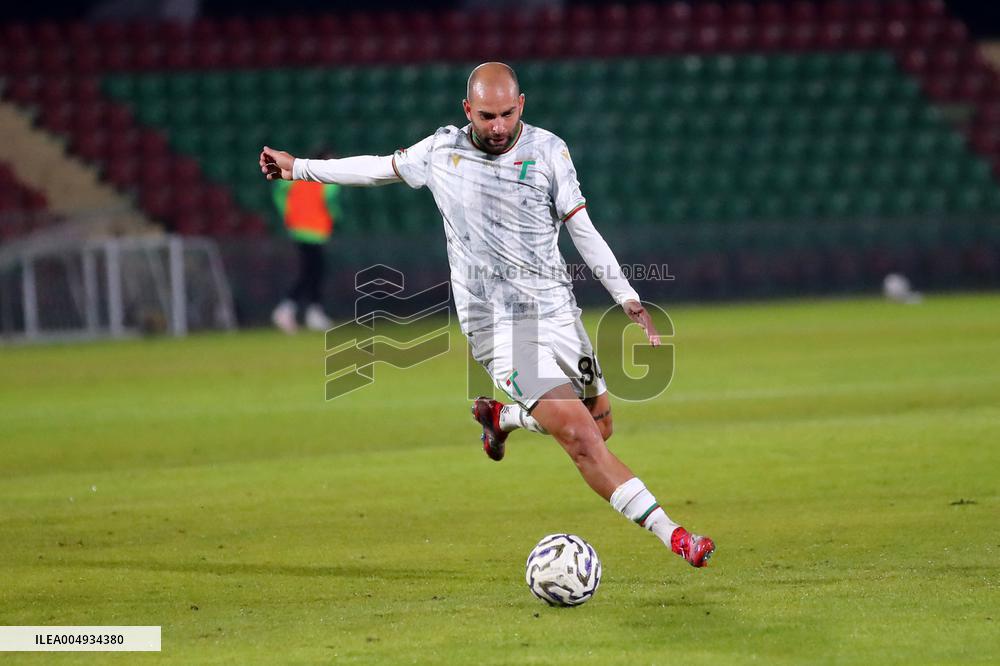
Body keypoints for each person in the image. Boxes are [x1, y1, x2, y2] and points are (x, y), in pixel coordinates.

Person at [260, 62, 715, 568]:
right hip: (497, 324)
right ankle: (676, 536)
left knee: (601, 426)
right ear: (467, 110)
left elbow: (582, 228)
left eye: (505, 115)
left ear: (521, 106)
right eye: (485, 116)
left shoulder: (549, 151)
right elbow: (376, 168)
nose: (497, 127)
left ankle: (503, 418)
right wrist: (297, 167)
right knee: (582, 439)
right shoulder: (441, 151)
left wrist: (625, 295)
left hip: (557, 311)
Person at [270, 174, 340, 333]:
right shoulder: (327, 178)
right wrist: (334, 216)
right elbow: (331, 202)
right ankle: (290, 309)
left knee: (313, 272)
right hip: (315, 230)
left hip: (301, 228)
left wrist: (288, 214)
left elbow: (279, 192)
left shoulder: (296, 177)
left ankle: (310, 312)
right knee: (312, 272)